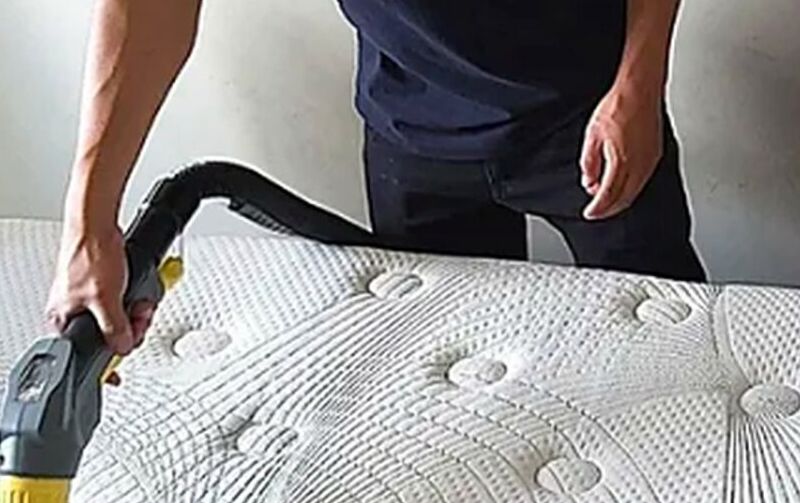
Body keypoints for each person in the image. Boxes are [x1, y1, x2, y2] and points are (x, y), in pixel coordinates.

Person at [46, 0, 706, 357]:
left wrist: (639, 83)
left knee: (676, 342)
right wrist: (88, 226)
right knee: (451, 356)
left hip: (592, 110)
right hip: (412, 125)